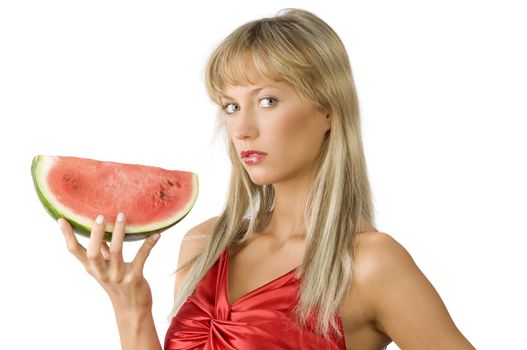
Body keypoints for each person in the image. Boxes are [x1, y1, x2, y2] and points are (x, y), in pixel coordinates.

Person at [58, 8, 476, 350]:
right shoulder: (204, 245)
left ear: (328, 110)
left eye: (267, 100)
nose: (242, 129)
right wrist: (129, 305)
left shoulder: (369, 263)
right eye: (231, 106)